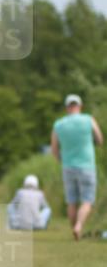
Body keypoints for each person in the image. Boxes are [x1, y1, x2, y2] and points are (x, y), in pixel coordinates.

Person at [51, 94, 103, 240]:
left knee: (71, 201)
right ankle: (79, 226)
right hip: (87, 165)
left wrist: (61, 160)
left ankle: (74, 230)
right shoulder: (88, 119)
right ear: (80, 106)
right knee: (87, 200)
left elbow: (54, 149)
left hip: (68, 166)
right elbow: (100, 139)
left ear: (67, 107)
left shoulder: (58, 125)